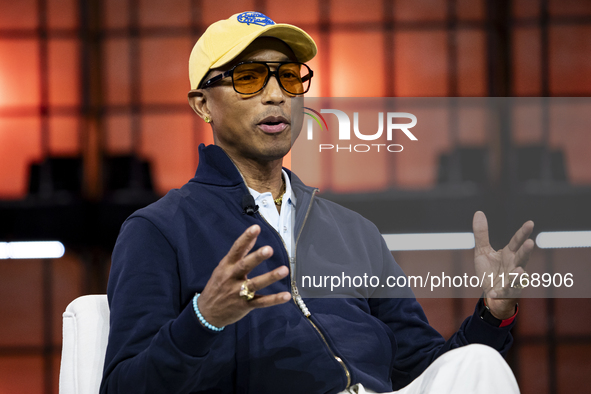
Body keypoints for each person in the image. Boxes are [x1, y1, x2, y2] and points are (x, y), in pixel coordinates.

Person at [100, 11, 535, 394]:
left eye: (289, 77)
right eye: (249, 78)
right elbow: (124, 386)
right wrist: (204, 318)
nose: (276, 96)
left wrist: (492, 314)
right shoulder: (159, 229)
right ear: (202, 105)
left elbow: (425, 369)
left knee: (479, 362)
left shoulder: (354, 231)